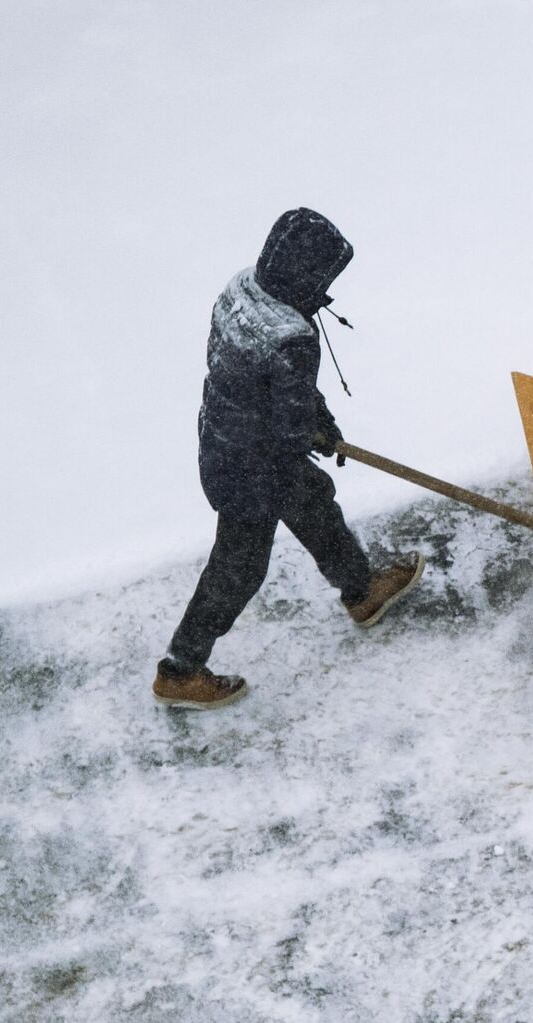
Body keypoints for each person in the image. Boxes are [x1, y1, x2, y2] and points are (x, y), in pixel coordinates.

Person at [153, 208, 424, 709]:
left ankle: (361, 590)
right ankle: (180, 669)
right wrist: (317, 431)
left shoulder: (243, 289)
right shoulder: (291, 337)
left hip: (224, 438)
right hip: (251, 466)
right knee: (240, 566)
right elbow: (291, 421)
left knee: (314, 504)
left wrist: (315, 425)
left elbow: (279, 390)